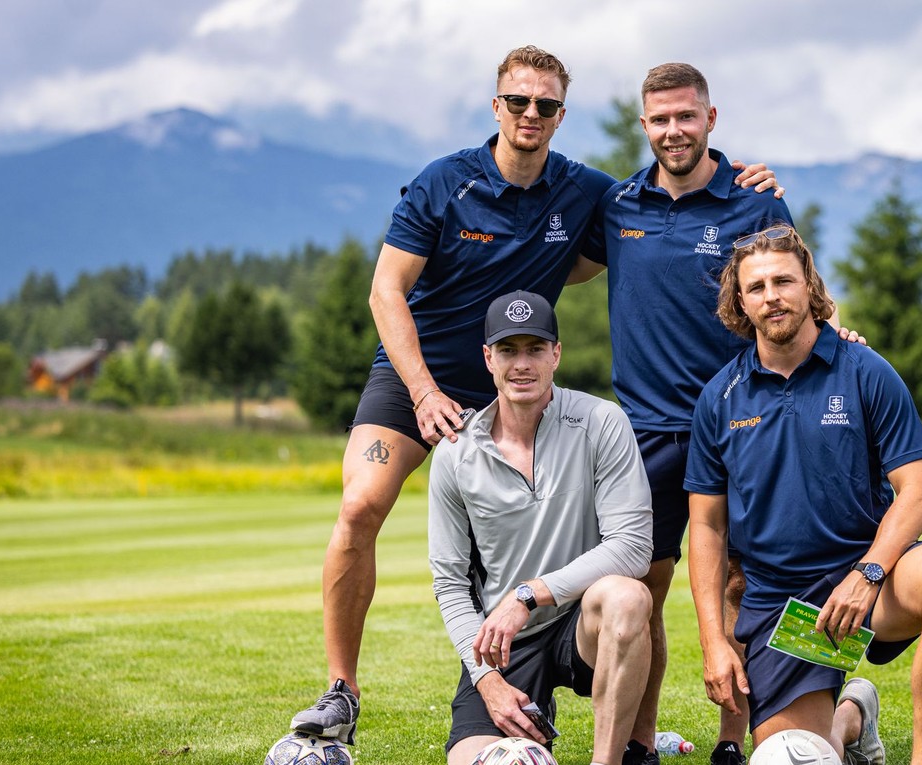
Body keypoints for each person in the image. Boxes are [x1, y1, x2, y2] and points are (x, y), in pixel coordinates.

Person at [288, 46, 777, 745]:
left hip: (518, 377)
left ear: (560, 115)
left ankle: (628, 724)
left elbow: (676, 211)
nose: (530, 114)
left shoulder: (589, 193)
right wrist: (424, 393)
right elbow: (384, 290)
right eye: (518, 102)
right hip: (418, 371)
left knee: (619, 568)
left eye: (545, 105)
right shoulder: (444, 182)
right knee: (361, 502)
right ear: (497, 107)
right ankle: (341, 690)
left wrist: (750, 179)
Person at [582, 63, 859, 765]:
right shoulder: (617, 206)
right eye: (660, 119)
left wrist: (841, 337)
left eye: (686, 116)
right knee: (644, 588)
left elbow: (796, 294)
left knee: (743, 579)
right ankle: (639, 743)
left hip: (747, 423)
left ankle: (734, 740)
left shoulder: (755, 201)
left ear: (711, 118)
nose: (674, 130)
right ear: (643, 127)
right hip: (644, 434)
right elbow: (553, 251)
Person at [684, 224, 922, 765]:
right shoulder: (718, 398)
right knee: (795, 756)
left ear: (810, 288)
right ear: (740, 304)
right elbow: (706, 527)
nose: (772, 296)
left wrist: (867, 574)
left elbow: (919, 492)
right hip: (784, 606)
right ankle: (852, 718)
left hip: (871, 580)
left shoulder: (866, 371)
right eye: (757, 287)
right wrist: (714, 642)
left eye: (784, 281)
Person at [429, 291, 654, 765]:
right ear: (488, 358)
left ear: (556, 354)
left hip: (580, 620)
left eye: (535, 349)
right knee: (473, 760)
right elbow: (449, 582)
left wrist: (529, 594)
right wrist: (487, 681)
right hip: (505, 642)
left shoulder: (601, 421)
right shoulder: (455, 451)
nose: (522, 365)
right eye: (509, 350)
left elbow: (633, 548)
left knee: (629, 596)